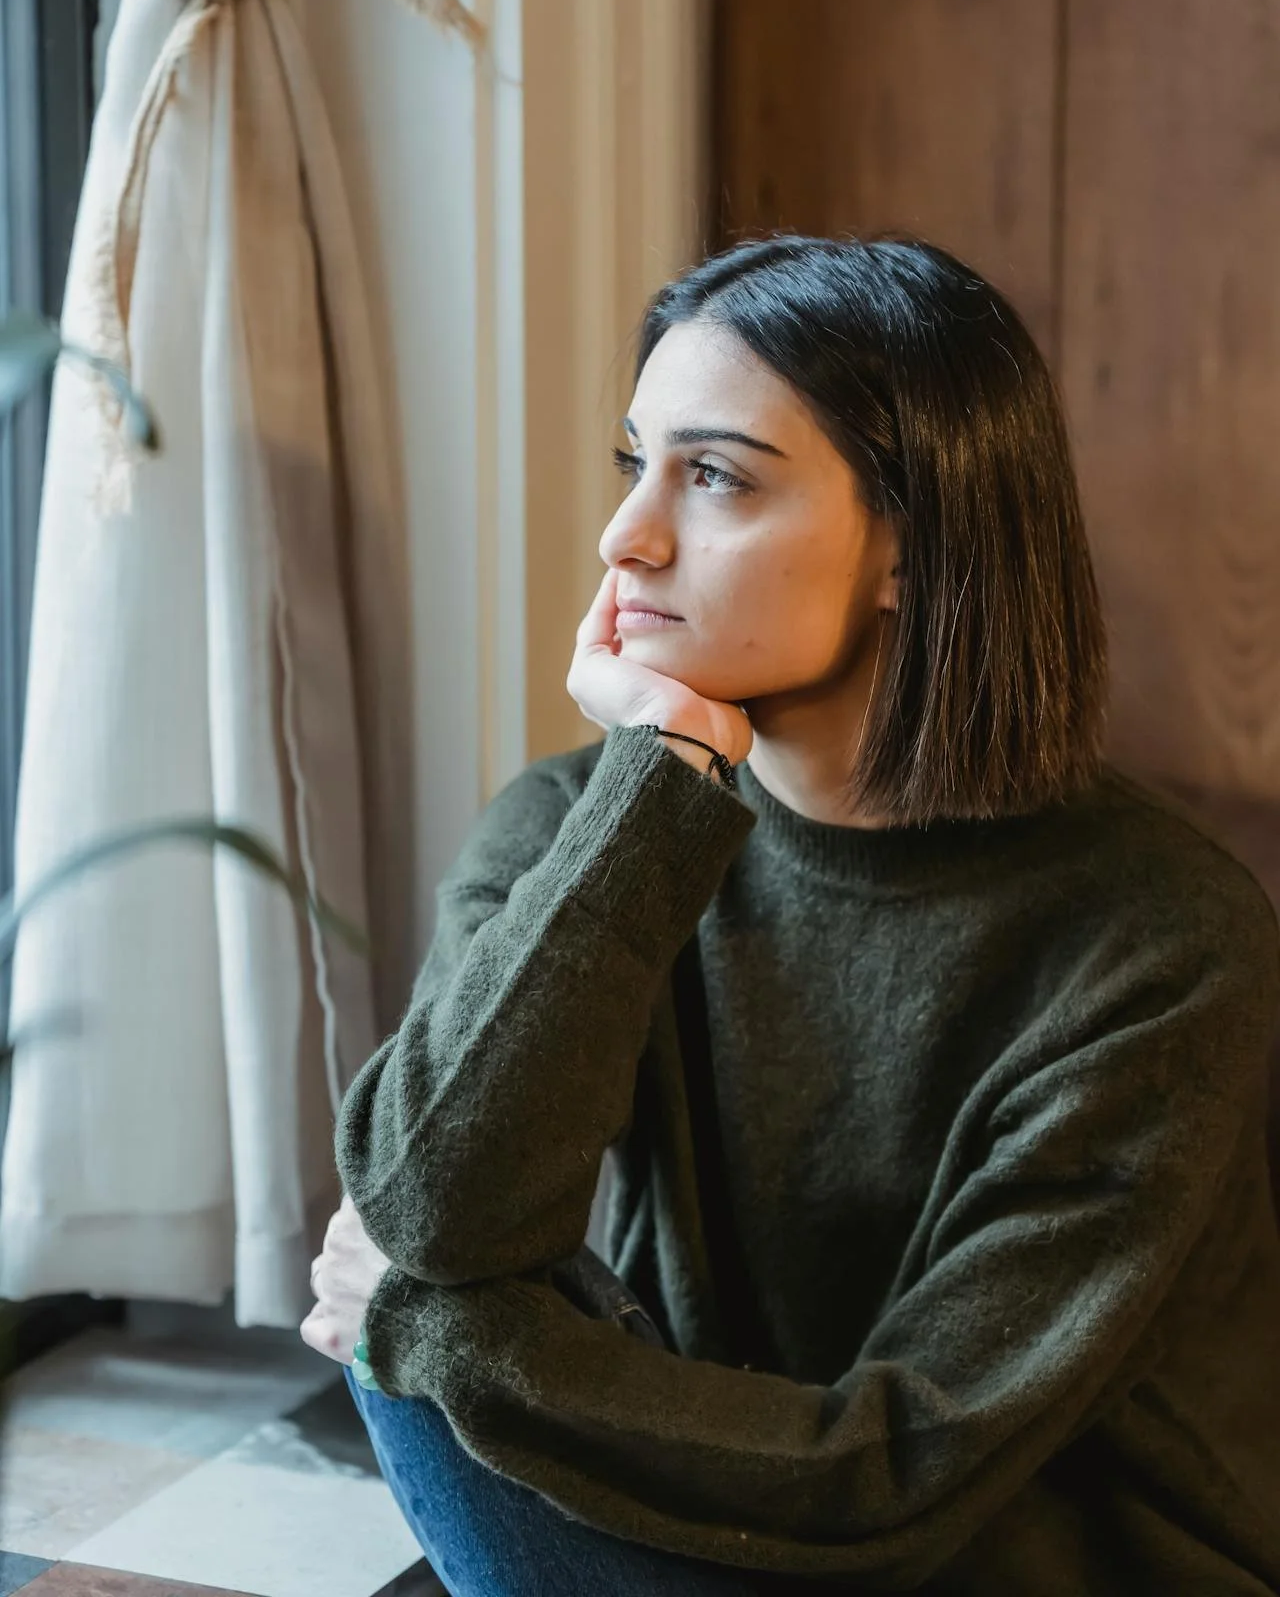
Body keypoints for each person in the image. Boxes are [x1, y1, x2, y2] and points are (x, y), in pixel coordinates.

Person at [301, 235, 1280, 1595]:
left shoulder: (1160, 941)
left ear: (913, 543)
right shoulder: (585, 829)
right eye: (633, 461)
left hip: (1024, 1559)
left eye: (713, 477)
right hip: (727, 1517)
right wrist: (661, 788)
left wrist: (428, 1334)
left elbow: (904, 1469)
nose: (624, 535)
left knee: (429, 1327)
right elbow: (429, 1210)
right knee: (441, 1266)